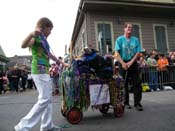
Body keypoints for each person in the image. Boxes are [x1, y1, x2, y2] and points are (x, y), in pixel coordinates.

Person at [14, 17, 69, 131]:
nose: (51, 32)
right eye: (50, 29)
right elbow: (23, 45)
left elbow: (50, 55)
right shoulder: (36, 38)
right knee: (44, 99)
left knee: (47, 99)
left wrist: (63, 63)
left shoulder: (44, 40)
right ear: (44, 27)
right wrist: (31, 34)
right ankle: (22, 126)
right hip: (38, 71)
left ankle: (46, 126)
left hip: (44, 71)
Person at [114, 23, 143, 111]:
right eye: (128, 27)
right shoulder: (119, 39)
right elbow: (117, 53)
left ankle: (137, 103)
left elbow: (138, 52)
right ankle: (125, 102)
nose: (130, 29)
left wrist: (131, 62)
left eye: (131, 28)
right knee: (124, 84)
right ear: (124, 29)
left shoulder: (135, 40)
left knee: (137, 83)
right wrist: (123, 63)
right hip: (123, 62)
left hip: (133, 62)